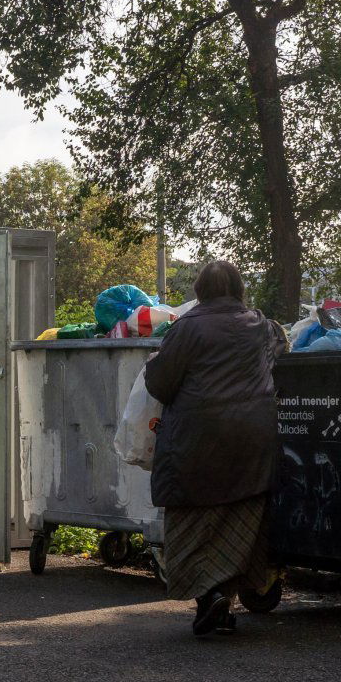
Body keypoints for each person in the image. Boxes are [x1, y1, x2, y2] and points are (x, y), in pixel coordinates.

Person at [144, 260, 287, 637]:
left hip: (198, 439)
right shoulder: (260, 324)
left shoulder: (187, 328)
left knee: (192, 519)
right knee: (239, 518)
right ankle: (224, 598)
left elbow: (160, 384)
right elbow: (278, 358)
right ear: (239, 289)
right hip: (253, 438)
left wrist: (151, 366)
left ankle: (208, 597)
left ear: (200, 291)